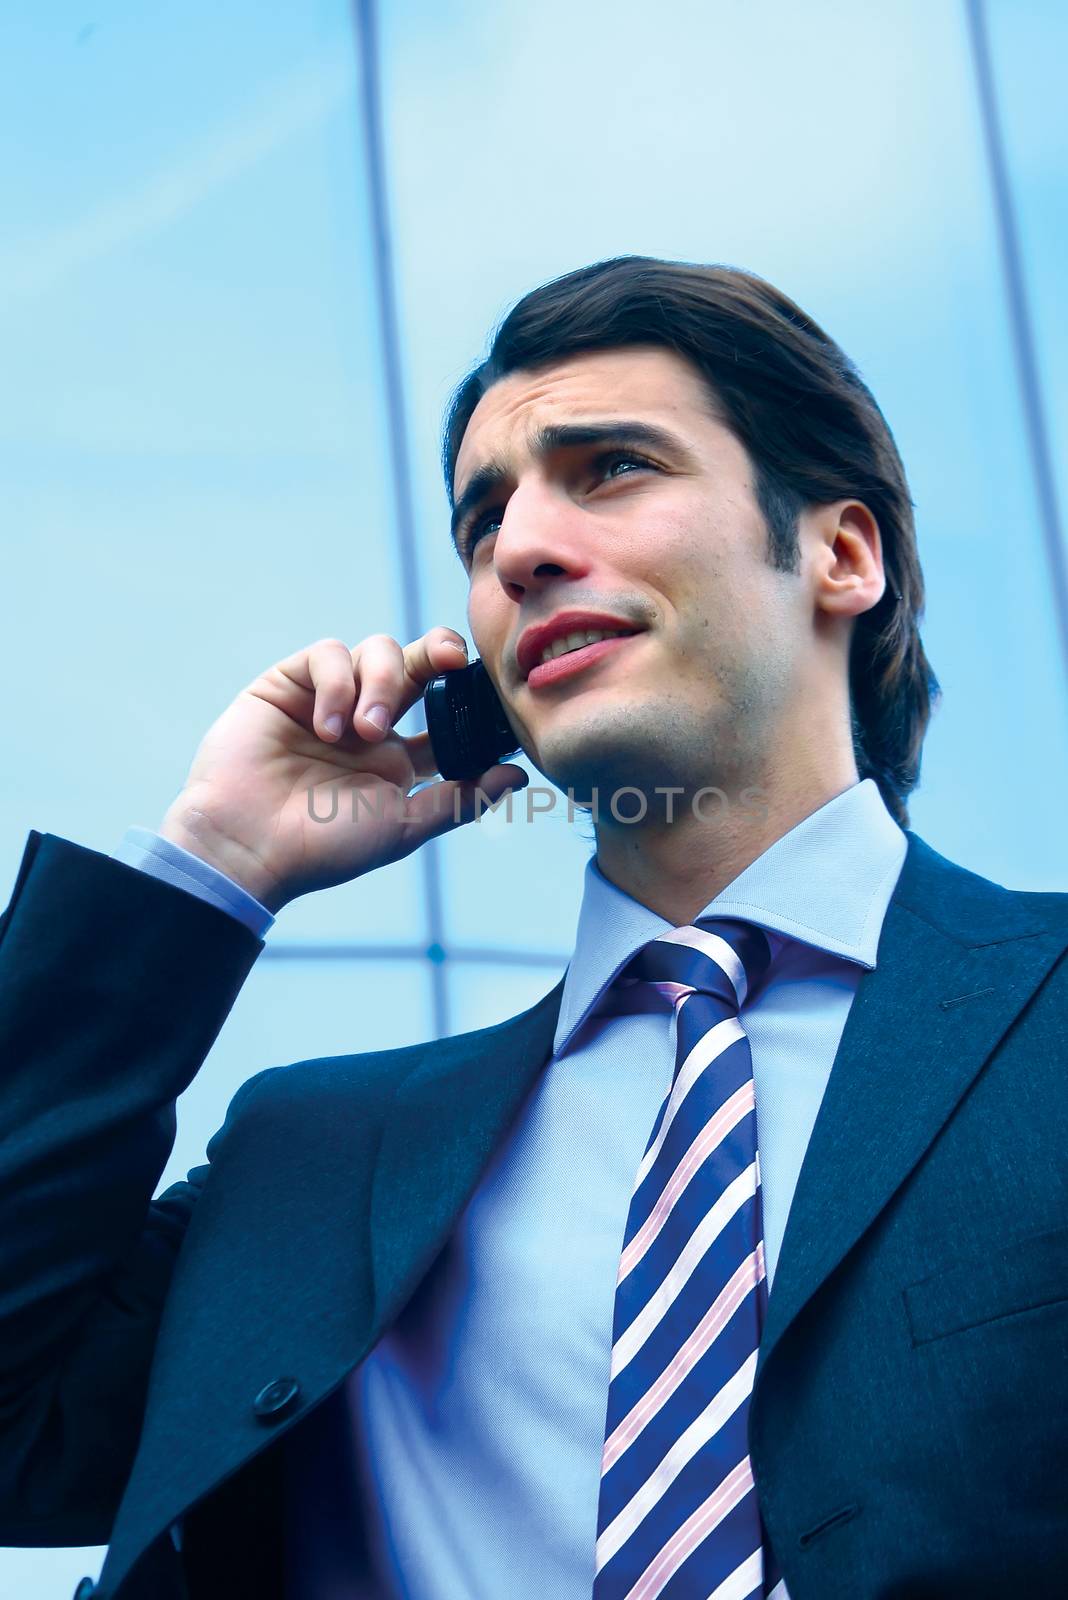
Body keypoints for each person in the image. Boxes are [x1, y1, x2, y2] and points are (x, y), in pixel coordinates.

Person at [1, 256, 1065, 1600]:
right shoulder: (311, 1165)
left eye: (611, 467)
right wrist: (214, 863)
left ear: (841, 555)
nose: (519, 550)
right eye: (484, 518)